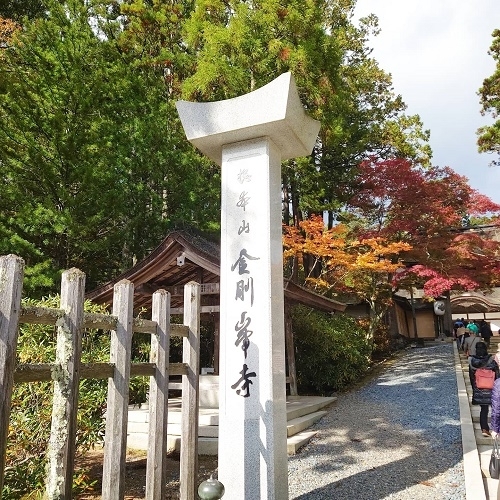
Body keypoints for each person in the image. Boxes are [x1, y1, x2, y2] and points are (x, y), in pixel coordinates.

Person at [469, 341, 499, 437]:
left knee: (484, 409)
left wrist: (475, 388)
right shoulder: (491, 360)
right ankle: (496, 428)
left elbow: (471, 377)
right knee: (496, 408)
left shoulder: (472, 360)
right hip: (492, 387)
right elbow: (497, 374)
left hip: (479, 388)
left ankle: (484, 429)